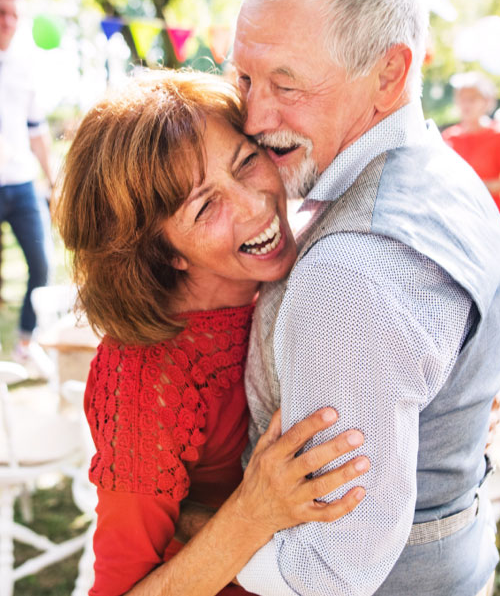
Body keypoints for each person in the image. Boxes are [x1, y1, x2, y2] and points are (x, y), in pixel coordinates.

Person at [222, 0, 500, 596]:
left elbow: (331, 571)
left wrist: (206, 533)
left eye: (285, 84)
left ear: (388, 74)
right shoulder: (446, 173)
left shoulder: (351, 272)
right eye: (243, 78)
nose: (252, 116)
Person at [55, 69, 369, 596]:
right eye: (205, 207)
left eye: (247, 161)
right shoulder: (146, 377)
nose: (253, 204)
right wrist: (251, 515)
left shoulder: (289, 275)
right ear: (164, 252)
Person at [0, 0, 54, 358]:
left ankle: (25, 341)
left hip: (21, 186)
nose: (7, 21)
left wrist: (54, 179)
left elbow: (37, 130)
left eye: (14, 15)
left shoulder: (24, 69)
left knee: (42, 266)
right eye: (2, 13)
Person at [442, 71, 500, 257]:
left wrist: (479, 187)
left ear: (487, 101)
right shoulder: (449, 137)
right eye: (462, 99)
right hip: (457, 217)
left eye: (472, 99)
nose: (466, 104)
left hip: (489, 216)